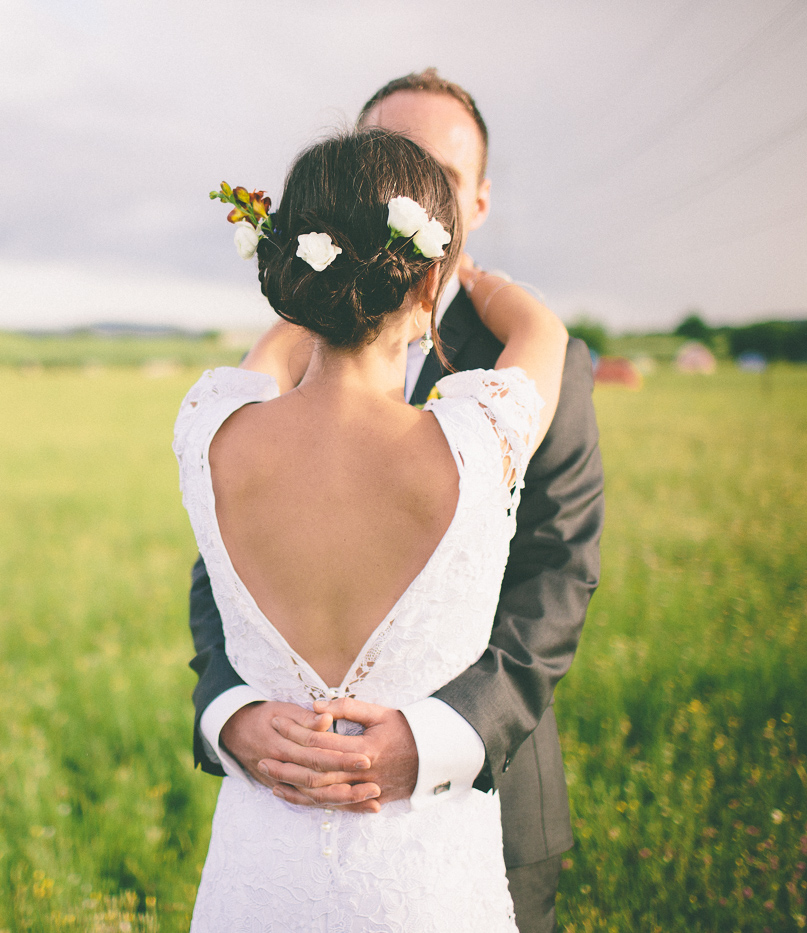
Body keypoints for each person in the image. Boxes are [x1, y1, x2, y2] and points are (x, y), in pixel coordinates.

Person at [187, 70, 604, 932]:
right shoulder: (485, 427)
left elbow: (560, 573)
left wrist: (440, 740)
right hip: (422, 877)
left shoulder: (215, 425)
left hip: (401, 814)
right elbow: (213, 577)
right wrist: (229, 715)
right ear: (427, 267)